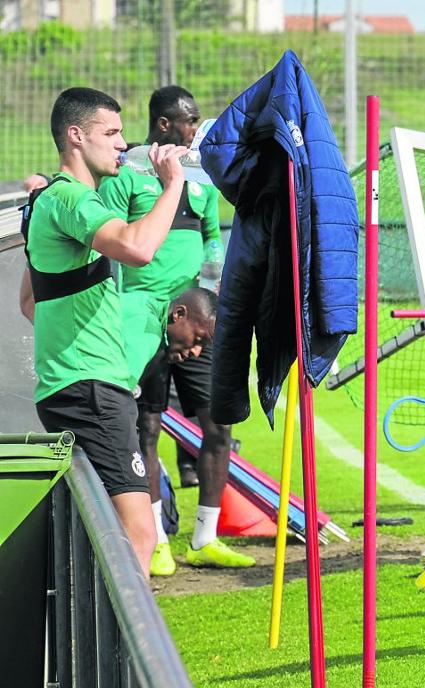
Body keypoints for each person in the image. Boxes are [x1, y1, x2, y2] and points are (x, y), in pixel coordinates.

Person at [22, 87, 187, 577]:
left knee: (101, 532)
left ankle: (89, 648)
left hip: (75, 384)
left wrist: (90, 346)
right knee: (138, 534)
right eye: (111, 133)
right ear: (76, 136)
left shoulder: (49, 201)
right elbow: (137, 248)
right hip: (91, 387)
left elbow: (30, 302)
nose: (122, 144)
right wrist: (172, 184)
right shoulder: (73, 199)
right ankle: (123, 655)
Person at [98, 85, 253, 575]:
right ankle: (157, 538)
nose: (196, 129)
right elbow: (113, 248)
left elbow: (211, 237)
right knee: (144, 425)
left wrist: (206, 301)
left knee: (218, 423)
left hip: (194, 321)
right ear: (164, 124)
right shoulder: (127, 172)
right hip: (142, 321)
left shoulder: (201, 176)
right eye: (189, 122)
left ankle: (205, 536)